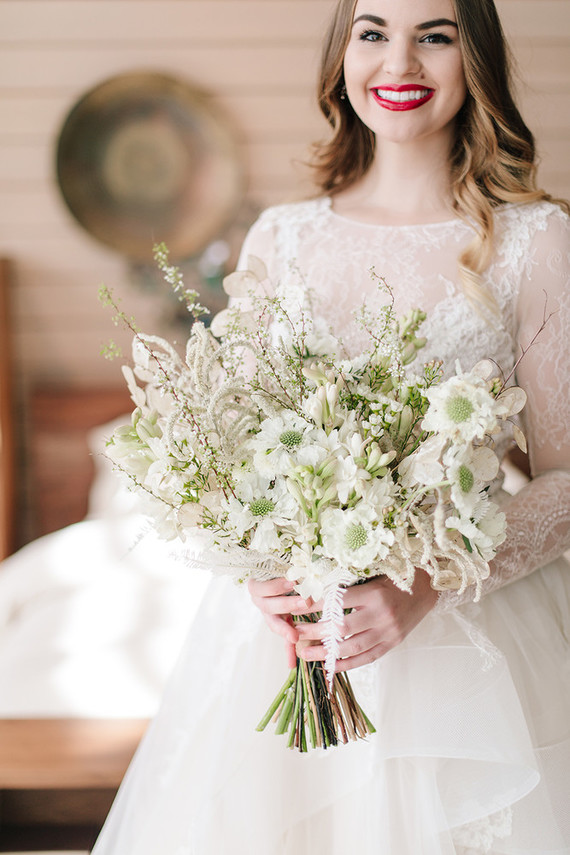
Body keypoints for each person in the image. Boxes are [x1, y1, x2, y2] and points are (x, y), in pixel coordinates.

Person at [92, 0, 570, 852]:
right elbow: (234, 448)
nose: (400, 64)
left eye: (435, 36)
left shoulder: (535, 241)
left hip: (470, 655)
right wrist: (256, 569)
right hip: (281, 651)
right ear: (341, 58)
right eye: (373, 32)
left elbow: (567, 483)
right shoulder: (281, 237)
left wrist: (429, 583)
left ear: (476, 60)